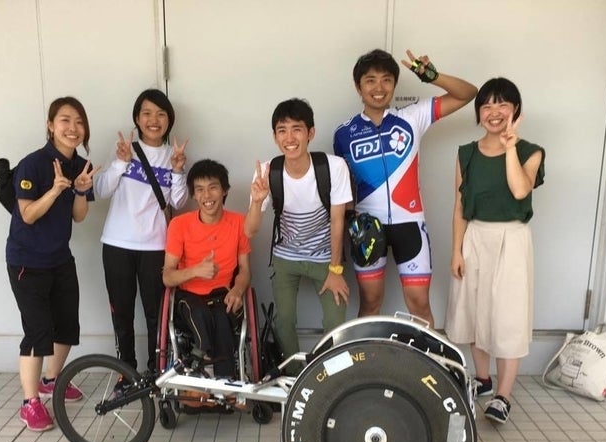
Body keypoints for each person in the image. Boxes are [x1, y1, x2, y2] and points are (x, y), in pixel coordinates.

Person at [333, 48, 477, 326]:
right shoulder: (343, 133)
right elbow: (343, 186)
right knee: (370, 303)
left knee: (419, 304)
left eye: (386, 80)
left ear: (395, 84)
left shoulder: (412, 116)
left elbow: (468, 93)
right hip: (367, 227)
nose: (379, 88)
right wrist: (351, 221)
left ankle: (423, 355)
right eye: (370, 80)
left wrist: (432, 76)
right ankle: (369, 355)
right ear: (358, 87)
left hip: (409, 223)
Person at [444, 77, 545, 424]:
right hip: (475, 236)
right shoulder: (466, 153)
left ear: (516, 110)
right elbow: (460, 205)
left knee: (507, 315)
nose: (494, 111)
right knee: (475, 310)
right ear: (478, 112)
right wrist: (456, 251)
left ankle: (503, 396)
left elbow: (520, 190)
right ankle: (482, 380)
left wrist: (510, 147)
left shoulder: (530, 151)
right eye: (486, 105)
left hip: (512, 239)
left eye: (502, 104)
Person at [6, 96, 96, 431]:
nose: (73, 128)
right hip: (27, 261)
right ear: (50, 125)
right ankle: (29, 402)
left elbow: (79, 217)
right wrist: (56, 190)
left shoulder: (81, 165)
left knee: (67, 326)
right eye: (65, 120)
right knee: (38, 331)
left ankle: (51, 381)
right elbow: (28, 214)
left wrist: (80, 191)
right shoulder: (33, 164)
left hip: (60, 258)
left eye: (79, 122)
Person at [246, 98, 352, 357]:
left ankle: (327, 373)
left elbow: (338, 220)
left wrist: (336, 270)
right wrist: (257, 201)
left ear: (310, 133)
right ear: (275, 136)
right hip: (286, 256)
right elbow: (249, 231)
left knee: (336, 322)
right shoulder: (267, 172)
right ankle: (293, 374)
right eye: (282, 130)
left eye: (297, 129)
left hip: (326, 257)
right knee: (284, 322)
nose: (289, 138)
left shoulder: (333, 167)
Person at [94, 89, 189, 376]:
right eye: (146, 113)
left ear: (169, 120)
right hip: (117, 244)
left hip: (156, 247)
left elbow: (179, 202)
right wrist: (120, 162)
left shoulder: (173, 155)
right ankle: (126, 374)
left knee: (156, 316)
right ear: (137, 118)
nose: (153, 120)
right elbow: (101, 189)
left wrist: (178, 170)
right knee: (121, 314)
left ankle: (156, 373)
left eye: (160, 114)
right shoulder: (126, 149)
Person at [162, 159, 251, 378]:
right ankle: (202, 367)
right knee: (200, 314)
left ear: (224, 190)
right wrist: (195, 271)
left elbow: (245, 270)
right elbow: (167, 276)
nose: (207, 196)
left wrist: (237, 290)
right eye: (200, 189)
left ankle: (224, 382)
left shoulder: (239, 223)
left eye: (213, 187)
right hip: (188, 298)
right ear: (193, 194)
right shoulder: (179, 225)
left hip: (223, 295)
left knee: (221, 317)